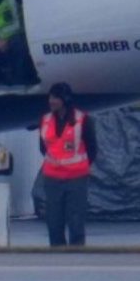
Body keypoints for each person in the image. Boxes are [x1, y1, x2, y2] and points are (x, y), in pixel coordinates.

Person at [38, 82, 96, 247]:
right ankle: (57, 258)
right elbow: (43, 147)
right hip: (52, 178)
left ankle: (77, 258)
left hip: (76, 178)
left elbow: (92, 149)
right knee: (54, 221)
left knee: (76, 220)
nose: (51, 101)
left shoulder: (82, 120)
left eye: (55, 97)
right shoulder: (45, 120)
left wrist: (79, 165)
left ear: (65, 99)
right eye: (50, 97)